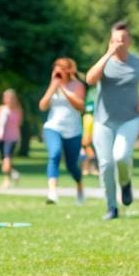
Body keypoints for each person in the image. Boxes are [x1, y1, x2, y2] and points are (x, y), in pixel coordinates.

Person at [85, 21, 139, 221]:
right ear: (110, 41)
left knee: (121, 157)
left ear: (129, 41)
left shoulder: (138, 63)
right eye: (116, 40)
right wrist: (107, 54)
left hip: (129, 119)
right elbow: (90, 79)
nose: (120, 43)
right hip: (103, 121)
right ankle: (111, 207)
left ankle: (125, 183)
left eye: (123, 39)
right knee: (106, 164)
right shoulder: (105, 62)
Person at [39, 58, 86, 204]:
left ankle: (79, 185)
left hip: (73, 131)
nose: (59, 71)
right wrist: (53, 87)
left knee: (72, 166)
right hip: (53, 127)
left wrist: (63, 89)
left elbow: (79, 106)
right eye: (57, 67)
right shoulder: (53, 85)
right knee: (55, 154)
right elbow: (43, 106)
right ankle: (52, 192)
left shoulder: (77, 85)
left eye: (63, 68)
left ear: (70, 70)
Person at [0, 89, 22, 189]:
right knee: (3, 161)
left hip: (12, 138)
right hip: (1, 137)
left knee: (7, 160)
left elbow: (19, 123)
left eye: (10, 98)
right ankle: (14, 175)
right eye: (6, 97)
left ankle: (7, 180)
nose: (8, 100)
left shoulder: (18, 109)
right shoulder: (1, 109)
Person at [80, 86, 98, 176]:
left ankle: (91, 167)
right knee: (87, 144)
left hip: (98, 119)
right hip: (90, 118)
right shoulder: (92, 91)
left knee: (93, 145)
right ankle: (86, 167)